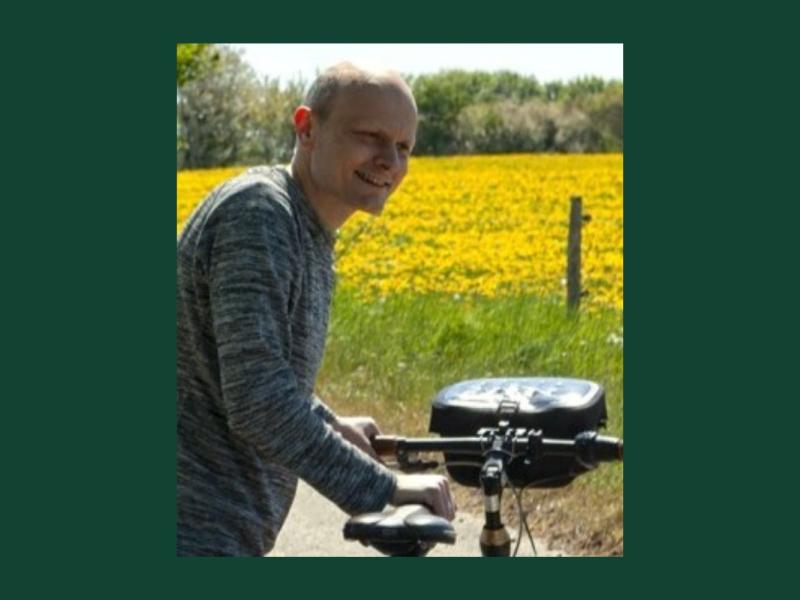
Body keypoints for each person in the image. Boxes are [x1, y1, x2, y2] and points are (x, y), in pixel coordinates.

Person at [177, 62, 456, 557]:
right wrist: (385, 489)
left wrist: (330, 424)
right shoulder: (260, 215)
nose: (390, 161)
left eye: (404, 147)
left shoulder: (303, 227)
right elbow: (258, 400)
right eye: (370, 137)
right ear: (307, 128)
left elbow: (251, 366)